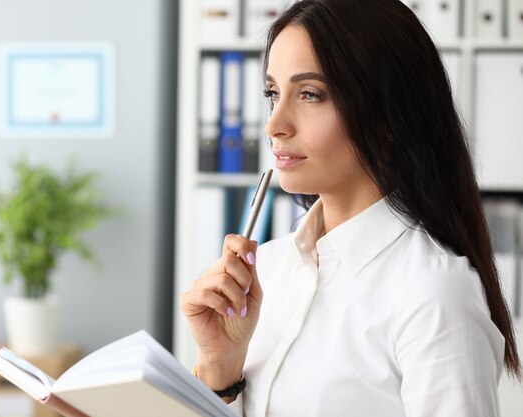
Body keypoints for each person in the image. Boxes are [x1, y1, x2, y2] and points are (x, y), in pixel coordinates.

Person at [181, 0, 522, 415]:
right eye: (273, 93)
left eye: (310, 94)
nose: (274, 124)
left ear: (385, 116)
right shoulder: (265, 272)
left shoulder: (432, 293)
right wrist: (220, 363)